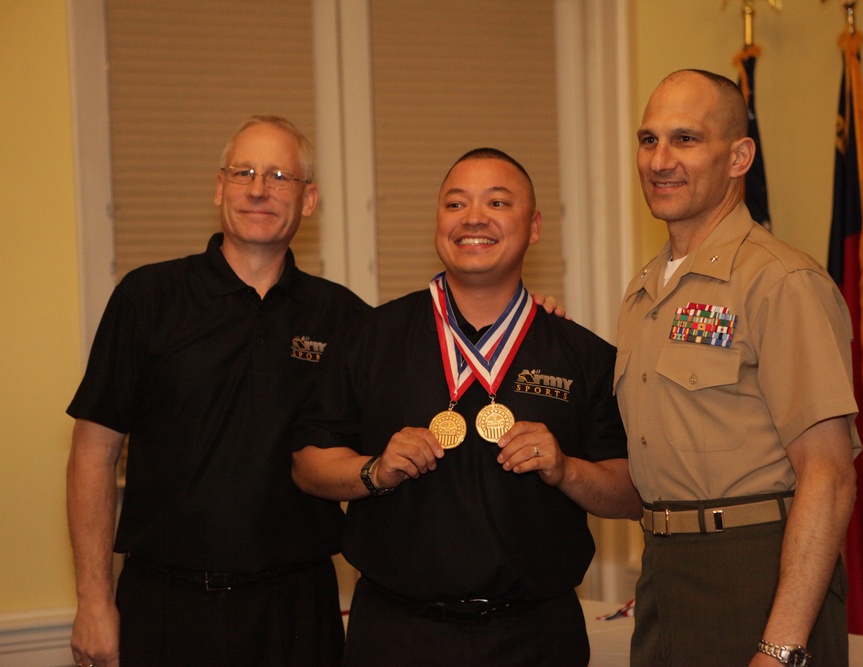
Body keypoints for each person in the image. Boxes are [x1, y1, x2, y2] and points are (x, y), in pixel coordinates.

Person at [291, 147, 642, 667]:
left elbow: (633, 491)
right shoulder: (371, 337)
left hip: (537, 637)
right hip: (396, 635)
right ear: (438, 222)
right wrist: (373, 471)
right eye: (456, 205)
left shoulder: (584, 355)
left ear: (534, 226)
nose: (473, 218)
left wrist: (565, 469)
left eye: (497, 202)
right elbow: (305, 463)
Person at [65, 115, 370, 667]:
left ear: (309, 199)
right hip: (165, 607)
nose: (258, 188)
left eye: (280, 176)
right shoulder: (147, 297)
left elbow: (430, 375)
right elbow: (92, 452)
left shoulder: (343, 317)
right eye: (244, 172)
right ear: (218, 187)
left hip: (297, 610)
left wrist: (528, 319)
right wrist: (93, 600)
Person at [615, 69, 861, 667]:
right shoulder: (644, 291)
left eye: (686, 139)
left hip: (759, 574)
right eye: (649, 140)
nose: (660, 159)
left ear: (739, 156)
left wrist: (780, 649)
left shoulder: (780, 282)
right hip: (665, 578)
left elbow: (828, 477)